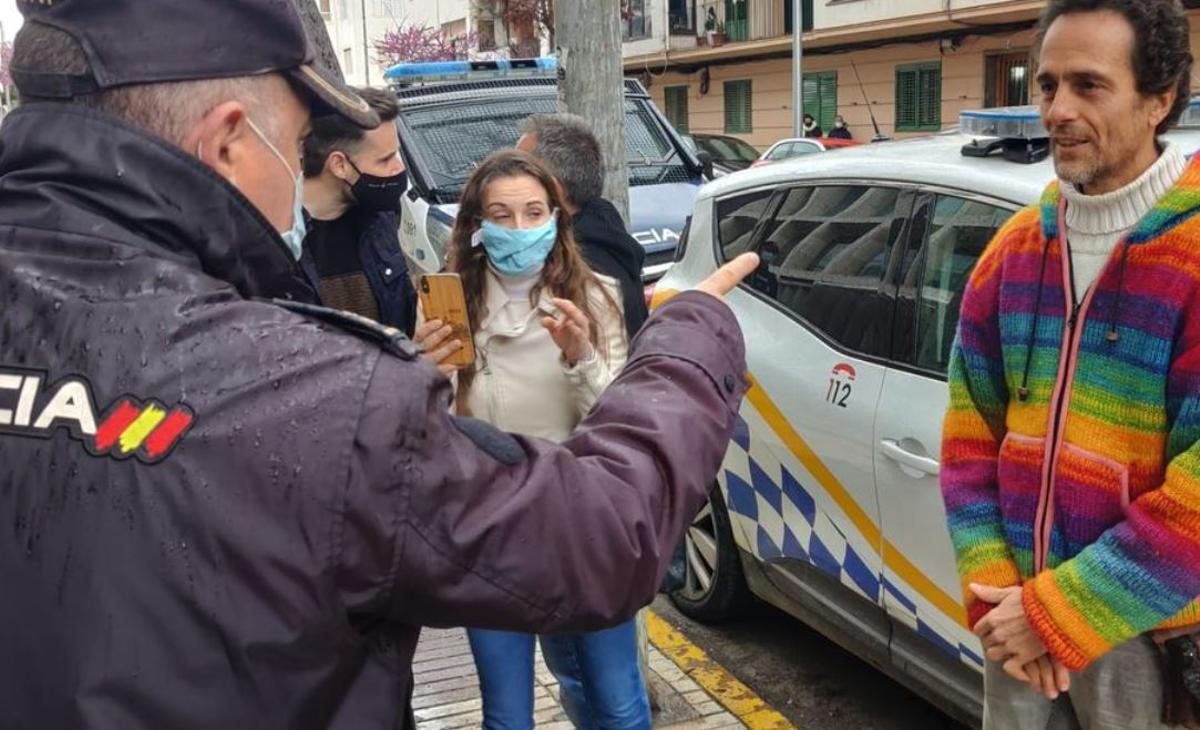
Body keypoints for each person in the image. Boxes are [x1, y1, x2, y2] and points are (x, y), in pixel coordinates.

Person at [0, 2, 758, 729]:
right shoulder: (317, 390)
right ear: (228, 141)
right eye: (299, 144)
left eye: (535, 213)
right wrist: (691, 327)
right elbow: (606, 533)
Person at [940, 0, 1198, 727]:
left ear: (1160, 98)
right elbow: (968, 440)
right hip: (1014, 626)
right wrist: (994, 596)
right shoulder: (1014, 251)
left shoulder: (1193, 257)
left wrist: (1059, 614)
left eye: (1089, 85)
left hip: (1146, 636)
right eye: (1047, 84)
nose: (1057, 110)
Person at [439, 149, 647, 729]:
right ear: (476, 225)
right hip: (490, 529)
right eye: (501, 216)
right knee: (506, 714)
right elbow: (434, 430)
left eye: (533, 212)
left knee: (615, 698)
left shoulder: (596, 296)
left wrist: (580, 358)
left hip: (581, 522)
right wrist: (425, 376)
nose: (519, 228)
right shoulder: (450, 301)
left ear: (556, 217)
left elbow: (620, 425)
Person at [516, 113, 649, 338]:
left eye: (516, 170)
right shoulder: (605, 235)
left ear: (553, 189)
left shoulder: (582, 271)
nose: (503, 180)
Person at [299, 86, 415, 332]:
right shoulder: (279, 240)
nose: (398, 168)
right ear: (340, 165)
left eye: (396, 155)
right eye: (385, 159)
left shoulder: (381, 217)